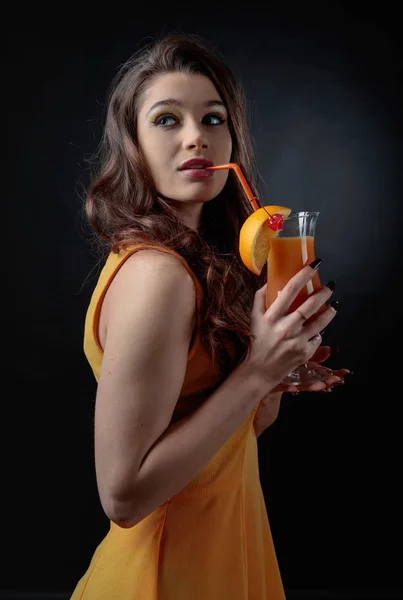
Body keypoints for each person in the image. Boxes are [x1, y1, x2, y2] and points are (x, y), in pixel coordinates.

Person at [70, 32, 350, 600]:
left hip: (226, 557)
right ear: (134, 146)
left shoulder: (203, 268)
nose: (197, 136)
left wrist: (271, 374)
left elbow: (237, 438)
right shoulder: (159, 275)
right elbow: (122, 496)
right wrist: (253, 374)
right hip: (168, 575)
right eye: (167, 120)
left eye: (213, 118)